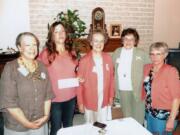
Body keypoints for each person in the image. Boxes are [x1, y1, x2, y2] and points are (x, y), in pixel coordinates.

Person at [0, 32, 54, 135]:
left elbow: (48, 94)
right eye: (27, 45)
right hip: (17, 126)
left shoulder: (42, 66)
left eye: (34, 45)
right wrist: (28, 124)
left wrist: (46, 116)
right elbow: (9, 102)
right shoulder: (10, 68)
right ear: (19, 47)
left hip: (40, 122)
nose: (32, 48)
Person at [39, 21, 77, 135]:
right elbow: (38, 73)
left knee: (68, 127)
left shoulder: (72, 51)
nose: (60, 34)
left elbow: (75, 71)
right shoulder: (46, 53)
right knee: (56, 129)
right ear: (52, 35)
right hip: (55, 99)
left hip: (71, 96)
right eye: (56, 32)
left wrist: (79, 77)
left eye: (62, 31)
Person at [112, 28, 150, 124]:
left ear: (135, 41)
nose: (128, 41)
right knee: (127, 117)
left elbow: (151, 66)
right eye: (126, 39)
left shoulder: (141, 53)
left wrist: (146, 78)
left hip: (138, 89)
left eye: (131, 39)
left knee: (139, 117)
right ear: (122, 40)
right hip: (123, 89)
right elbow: (111, 67)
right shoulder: (117, 52)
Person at [142, 42, 180, 135]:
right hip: (148, 112)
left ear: (165, 55)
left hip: (163, 115)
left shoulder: (171, 71)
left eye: (158, 54)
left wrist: (171, 119)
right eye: (152, 54)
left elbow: (176, 98)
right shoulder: (147, 68)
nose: (154, 57)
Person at [77, 32, 115, 123]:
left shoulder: (108, 58)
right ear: (91, 43)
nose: (99, 44)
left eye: (101, 41)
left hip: (104, 98)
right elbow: (79, 84)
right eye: (96, 41)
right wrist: (80, 103)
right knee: (91, 126)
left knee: (103, 125)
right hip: (89, 99)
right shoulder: (84, 60)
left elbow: (112, 80)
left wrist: (111, 97)